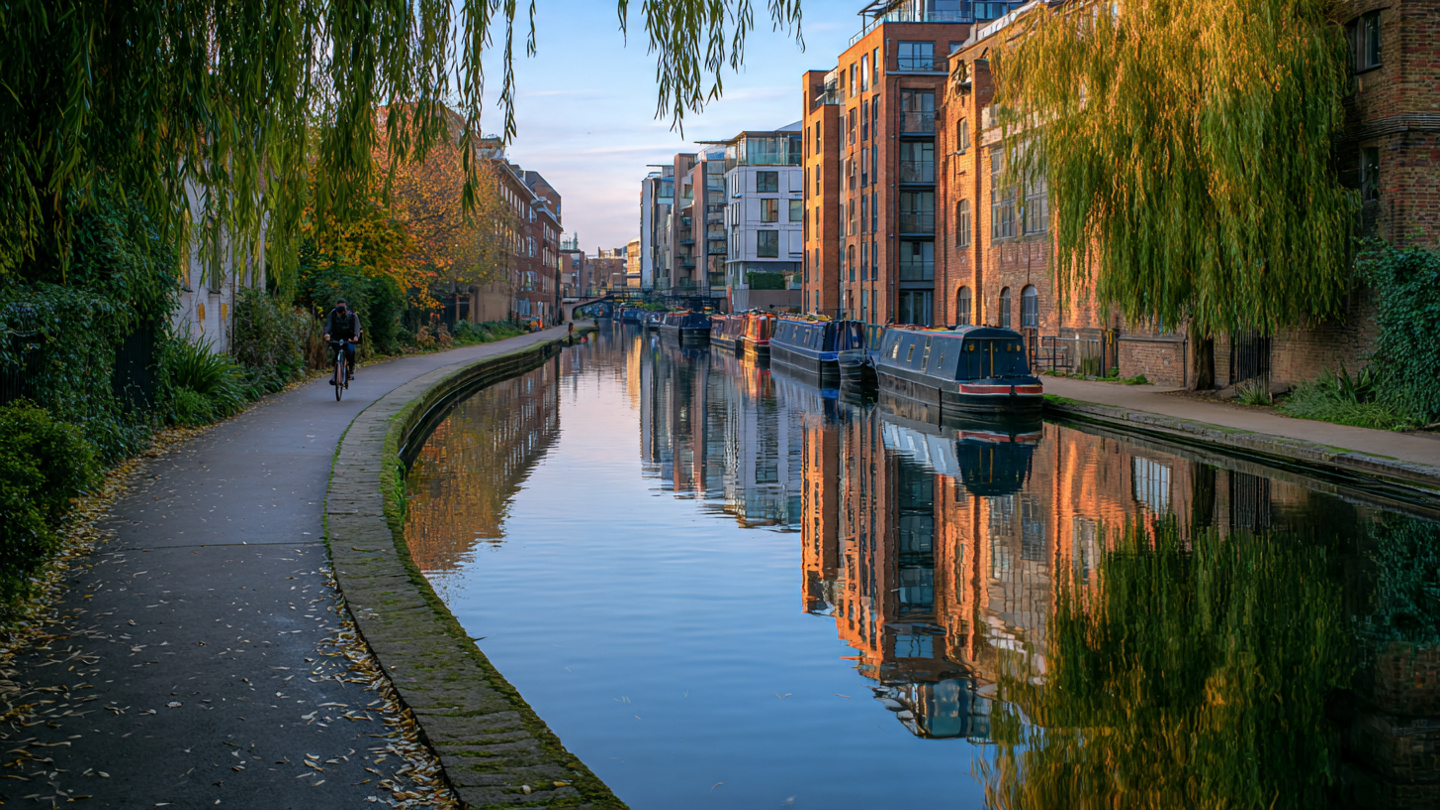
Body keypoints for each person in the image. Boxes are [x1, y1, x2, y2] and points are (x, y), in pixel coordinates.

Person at [323, 300, 362, 383]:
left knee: (350, 352)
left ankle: (350, 370)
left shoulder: (352, 315)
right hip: (336, 337)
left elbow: (356, 327)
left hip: (349, 337)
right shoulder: (332, 314)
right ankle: (335, 373)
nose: (340, 313)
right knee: (336, 352)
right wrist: (327, 334)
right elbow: (329, 325)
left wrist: (355, 336)